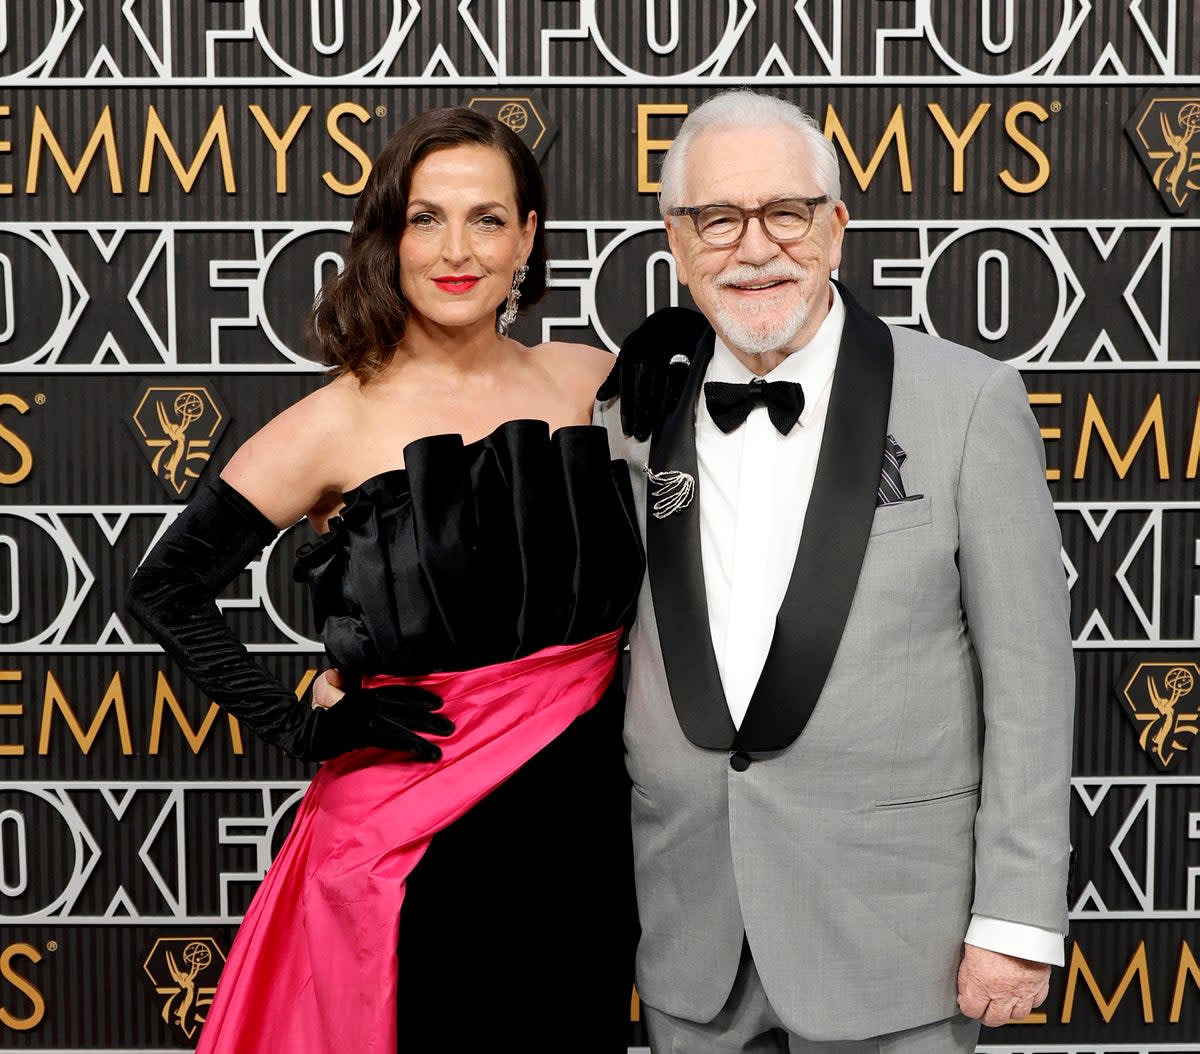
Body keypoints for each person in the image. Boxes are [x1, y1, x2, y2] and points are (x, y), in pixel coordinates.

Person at [126, 106, 644, 1053]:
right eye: (425, 217)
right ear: (388, 236)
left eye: (487, 218)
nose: (458, 249)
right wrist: (303, 723)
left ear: (528, 236)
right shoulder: (333, 422)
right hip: (413, 835)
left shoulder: (591, 382)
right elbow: (164, 589)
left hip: (586, 832)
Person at [597, 90, 1074, 1053]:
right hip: (691, 930)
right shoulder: (630, 412)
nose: (755, 246)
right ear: (676, 243)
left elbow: (1031, 675)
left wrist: (1018, 918)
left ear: (837, 228)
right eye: (718, 219)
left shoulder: (968, 400)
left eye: (786, 212)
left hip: (898, 937)